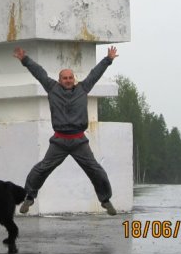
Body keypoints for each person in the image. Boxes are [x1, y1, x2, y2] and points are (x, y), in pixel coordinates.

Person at [12, 45, 119, 215]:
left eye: (70, 77)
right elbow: (39, 72)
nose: (68, 80)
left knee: (96, 171)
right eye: (65, 78)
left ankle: (105, 200)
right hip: (59, 141)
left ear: (74, 79)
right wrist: (25, 60)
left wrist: (108, 60)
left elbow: (95, 73)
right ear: (60, 79)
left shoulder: (83, 88)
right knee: (41, 169)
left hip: (79, 141)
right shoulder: (52, 88)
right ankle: (29, 197)